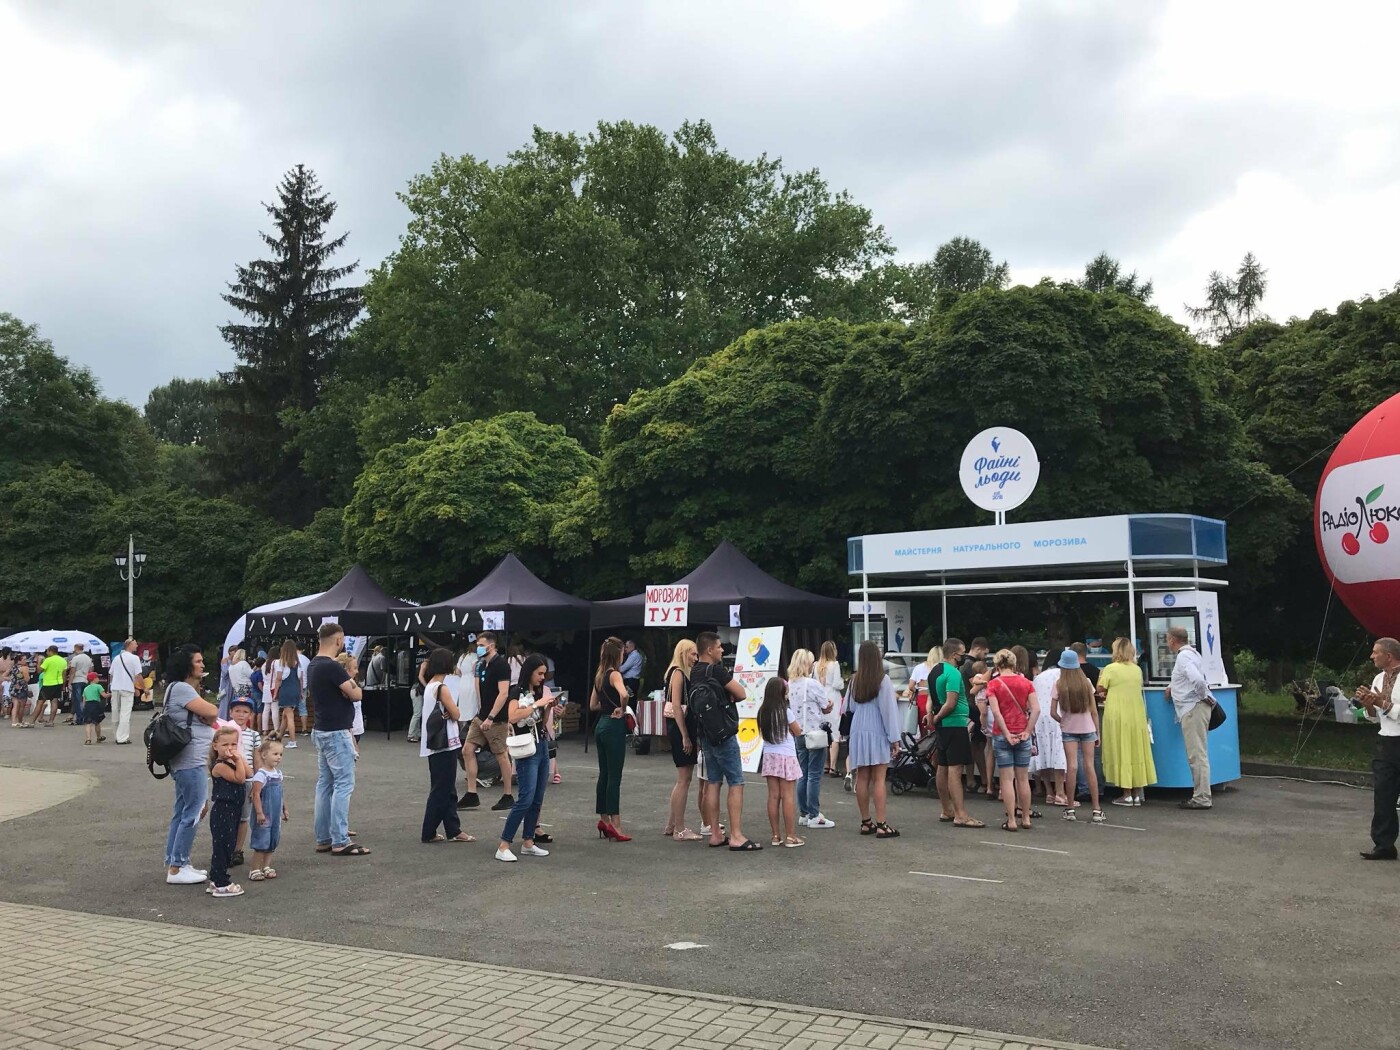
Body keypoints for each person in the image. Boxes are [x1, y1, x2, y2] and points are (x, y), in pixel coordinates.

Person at [693, 631, 758, 851]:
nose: (723, 649)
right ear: (709, 650)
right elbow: (740, 693)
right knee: (736, 782)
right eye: (719, 646)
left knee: (713, 782)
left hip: (705, 734)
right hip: (724, 733)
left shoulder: (695, 671)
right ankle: (737, 835)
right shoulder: (717, 670)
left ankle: (715, 833)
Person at [309, 622, 368, 857]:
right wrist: (351, 684)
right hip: (336, 731)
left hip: (322, 728)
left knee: (325, 784)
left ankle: (323, 837)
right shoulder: (332, 667)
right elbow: (356, 693)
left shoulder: (314, 665)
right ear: (339, 640)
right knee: (344, 784)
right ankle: (340, 839)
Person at [161, 646, 218, 885]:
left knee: (183, 811)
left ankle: (177, 861)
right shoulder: (183, 688)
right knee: (194, 812)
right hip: (191, 759)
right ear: (187, 665)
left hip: (185, 759)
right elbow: (212, 710)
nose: (203, 665)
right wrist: (209, 714)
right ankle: (177, 866)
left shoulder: (175, 688)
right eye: (198, 661)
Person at [498, 653, 557, 861]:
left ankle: (528, 841)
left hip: (540, 744)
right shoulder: (517, 691)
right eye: (539, 673)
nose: (542, 677)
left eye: (544, 674)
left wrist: (548, 708)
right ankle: (504, 844)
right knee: (526, 797)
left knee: (537, 798)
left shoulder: (539, 692)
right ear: (529, 672)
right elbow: (512, 716)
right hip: (525, 747)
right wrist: (537, 704)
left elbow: (541, 721)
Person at [419, 647, 475, 845]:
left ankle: (453, 829)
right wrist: (454, 711)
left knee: (447, 788)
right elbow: (457, 713)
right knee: (442, 789)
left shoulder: (430, 685)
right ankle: (429, 830)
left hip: (434, 743)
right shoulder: (442, 688)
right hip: (445, 743)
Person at [847, 640, 901, 838]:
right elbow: (888, 711)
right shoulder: (882, 680)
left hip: (858, 728)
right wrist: (894, 738)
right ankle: (881, 823)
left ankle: (865, 821)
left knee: (862, 776)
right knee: (879, 778)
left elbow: (850, 707)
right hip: (876, 727)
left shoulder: (854, 680)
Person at [928, 638, 982, 828]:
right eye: (962, 653)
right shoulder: (953, 674)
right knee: (955, 769)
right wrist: (937, 717)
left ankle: (946, 809)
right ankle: (961, 814)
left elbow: (930, 699)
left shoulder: (934, 671)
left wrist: (931, 717)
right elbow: (951, 703)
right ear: (953, 655)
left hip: (942, 726)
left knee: (942, 766)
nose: (964, 657)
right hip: (955, 723)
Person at [1355, 637, 1400, 860]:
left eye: (1376, 652)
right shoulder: (1378, 678)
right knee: (1384, 793)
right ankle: (1384, 844)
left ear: (1389, 656)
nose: (1372, 656)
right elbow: (1374, 718)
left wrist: (1382, 702)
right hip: (1386, 741)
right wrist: (1368, 705)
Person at [987, 648, 1039, 832]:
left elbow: (995, 712)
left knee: (1007, 780)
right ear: (1014, 663)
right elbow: (1036, 709)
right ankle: (1026, 817)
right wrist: (1027, 730)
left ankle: (1011, 820)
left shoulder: (993, 684)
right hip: (1022, 735)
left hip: (1003, 736)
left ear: (997, 664)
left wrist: (1006, 733)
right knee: (1023, 779)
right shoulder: (1026, 683)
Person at [1099, 637, 1156, 807]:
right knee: (1136, 749)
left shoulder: (1110, 669)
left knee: (1121, 748)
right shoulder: (1136, 669)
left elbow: (1100, 688)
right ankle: (1137, 793)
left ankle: (1126, 794)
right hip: (1136, 713)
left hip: (1117, 713)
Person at [461, 631, 514, 812]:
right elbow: (479, 688)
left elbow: (504, 693)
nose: (478, 647)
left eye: (481, 644)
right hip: (481, 716)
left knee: (501, 754)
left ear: (491, 646)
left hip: (496, 719)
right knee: (467, 750)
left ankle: (508, 795)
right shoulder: (482, 665)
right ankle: (471, 794)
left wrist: (491, 716)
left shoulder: (501, 665)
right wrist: (481, 713)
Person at [1164, 626, 1216, 810]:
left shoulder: (1183, 656)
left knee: (1197, 755)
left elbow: (1198, 681)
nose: (1167, 642)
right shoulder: (1193, 654)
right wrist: (1173, 685)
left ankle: (1202, 797)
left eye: (1168, 638)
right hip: (1196, 707)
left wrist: (1200, 696)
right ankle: (1202, 795)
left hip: (1193, 708)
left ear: (1173, 639)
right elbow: (1189, 677)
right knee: (1198, 754)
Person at [1051, 649, 1104, 824]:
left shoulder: (1059, 684)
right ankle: (1097, 809)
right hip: (1088, 728)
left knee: (1072, 767)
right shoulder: (1087, 683)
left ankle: (1070, 808)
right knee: (1089, 766)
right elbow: (1094, 711)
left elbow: (1052, 712)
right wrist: (1097, 732)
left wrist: (1062, 720)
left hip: (1069, 730)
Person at [788, 648, 835, 830]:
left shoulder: (791, 684)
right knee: (814, 775)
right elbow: (825, 706)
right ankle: (814, 815)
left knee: (803, 774)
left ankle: (804, 813)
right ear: (807, 664)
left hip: (798, 732)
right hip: (814, 733)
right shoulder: (812, 684)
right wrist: (829, 704)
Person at [591, 636, 633, 842]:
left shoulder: (599, 675)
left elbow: (592, 705)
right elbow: (624, 694)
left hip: (600, 725)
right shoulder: (615, 674)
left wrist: (608, 707)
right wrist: (622, 709)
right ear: (618, 654)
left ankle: (603, 819)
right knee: (615, 776)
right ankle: (616, 824)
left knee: (604, 774)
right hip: (614, 726)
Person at [662, 639, 702, 841]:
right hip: (681, 728)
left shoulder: (673, 672)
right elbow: (677, 706)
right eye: (693, 654)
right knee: (684, 779)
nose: (696, 658)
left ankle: (672, 824)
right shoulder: (678, 673)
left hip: (680, 728)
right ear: (684, 653)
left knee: (682, 779)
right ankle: (680, 828)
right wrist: (686, 735)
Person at [758, 677, 804, 847]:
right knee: (788, 796)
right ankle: (791, 837)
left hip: (770, 755)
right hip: (786, 755)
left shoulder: (763, 711)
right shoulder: (786, 711)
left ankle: (775, 836)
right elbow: (797, 731)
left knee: (773, 796)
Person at [206, 725, 250, 899]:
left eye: (233, 744)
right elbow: (240, 779)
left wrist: (239, 758)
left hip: (234, 809)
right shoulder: (219, 766)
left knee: (229, 845)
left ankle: (217, 879)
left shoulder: (232, 761)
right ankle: (220, 882)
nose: (230, 748)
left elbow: (248, 773)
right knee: (222, 846)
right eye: (225, 745)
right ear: (215, 746)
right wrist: (237, 761)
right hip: (223, 809)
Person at [1030, 647, 1068, 806]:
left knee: (1044, 753)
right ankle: (1060, 792)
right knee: (1059, 754)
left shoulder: (1038, 677)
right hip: (1057, 715)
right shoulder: (1063, 675)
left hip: (1040, 718)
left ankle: (1049, 792)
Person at [248, 735, 289, 881]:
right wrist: (259, 812)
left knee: (273, 838)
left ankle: (266, 865)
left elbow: (281, 792)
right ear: (264, 755)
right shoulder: (261, 775)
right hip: (265, 813)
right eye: (275, 754)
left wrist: (284, 809)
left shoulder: (278, 774)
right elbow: (256, 794)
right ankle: (255, 868)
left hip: (275, 812)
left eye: (280, 755)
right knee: (262, 838)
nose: (278, 757)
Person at [228, 697, 261, 866]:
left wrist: (257, 782)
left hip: (247, 780)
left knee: (243, 817)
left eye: (245, 712)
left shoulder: (254, 735)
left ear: (251, 715)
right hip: (228, 778)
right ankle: (226, 847)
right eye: (237, 711)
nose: (241, 715)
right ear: (230, 712)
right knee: (228, 816)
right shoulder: (225, 731)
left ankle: (237, 850)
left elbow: (257, 760)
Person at [814, 641, 844, 776]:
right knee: (834, 734)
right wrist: (843, 681)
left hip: (821, 699)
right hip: (833, 697)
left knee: (824, 732)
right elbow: (838, 684)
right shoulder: (835, 664)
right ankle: (833, 766)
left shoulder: (816, 665)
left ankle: (825, 765)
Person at [272, 640, 304, 749]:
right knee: (285, 715)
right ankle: (279, 738)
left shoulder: (282, 663)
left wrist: (275, 693)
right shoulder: (298, 663)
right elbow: (301, 679)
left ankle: (292, 740)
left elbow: (278, 679)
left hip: (286, 689)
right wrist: (300, 692)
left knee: (289, 716)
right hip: (295, 689)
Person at [33, 645, 66, 727]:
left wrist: (39, 662)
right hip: (58, 682)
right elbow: (64, 674)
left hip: (48, 683)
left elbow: (39, 671)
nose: (46, 653)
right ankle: (51, 721)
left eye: (47, 651)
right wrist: (63, 685)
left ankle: (31, 721)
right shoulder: (63, 660)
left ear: (51, 651)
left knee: (40, 702)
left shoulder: (48, 660)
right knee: (54, 701)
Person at [67, 642, 92, 728]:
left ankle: (80, 719)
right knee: (84, 699)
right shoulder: (88, 658)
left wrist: (69, 682)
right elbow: (91, 669)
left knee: (78, 701)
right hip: (85, 680)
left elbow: (72, 671)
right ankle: (87, 717)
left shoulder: (75, 658)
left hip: (77, 680)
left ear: (76, 648)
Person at [80, 672, 107, 745]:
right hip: (95, 704)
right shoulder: (98, 686)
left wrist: (84, 708)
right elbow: (104, 695)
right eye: (97, 677)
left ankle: (88, 739)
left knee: (88, 723)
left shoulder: (86, 688)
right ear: (94, 679)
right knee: (97, 722)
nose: (98, 679)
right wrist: (110, 694)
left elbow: (84, 700)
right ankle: (98, 737)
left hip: (87, 705)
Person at [217, 644, 238, 720]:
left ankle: (229, 719)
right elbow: (224, 672)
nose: (235, 653)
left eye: (236, 651)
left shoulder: (236, 661)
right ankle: (222, 719)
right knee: (224, 702)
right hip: (226, 683)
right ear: (230, 652)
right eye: (234, 651)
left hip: (233, 683)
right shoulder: (225, 660)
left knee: (232, 702)